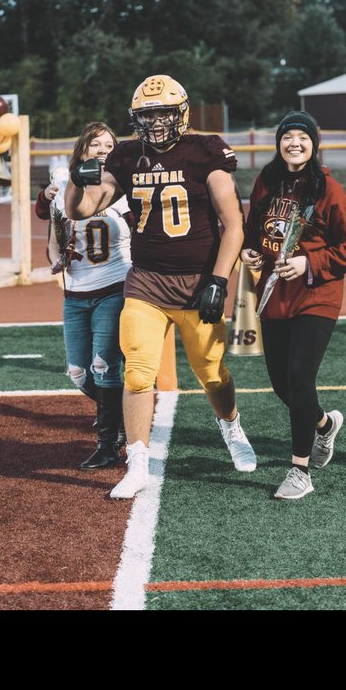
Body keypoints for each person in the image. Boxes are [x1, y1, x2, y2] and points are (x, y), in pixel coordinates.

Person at [65, 74, 256, 499]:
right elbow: (81, 210)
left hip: (196, 283)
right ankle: (137, 464)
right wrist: (76, 180)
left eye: (164, 113)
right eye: (148, 115)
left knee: (212, 373)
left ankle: (231, 426)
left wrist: (219, 280)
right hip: (146, 282)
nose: (155, 122)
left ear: (181, 113)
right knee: (137, 373)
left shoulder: (206, 150)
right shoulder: (127, 156)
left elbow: (233, 223)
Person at [241, 110, 346, 500]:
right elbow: (254, 229)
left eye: (303, 138)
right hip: (274, 293)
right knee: (281, 383)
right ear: (279, 143)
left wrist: (309, 263)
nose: (295, 143)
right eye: (288, 137)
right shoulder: (266, 181)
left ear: (314, 145)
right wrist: (249, 251)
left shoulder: (329, 189)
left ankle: (299, 471)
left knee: (299, 376)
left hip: (316, 295)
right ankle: (325, 425)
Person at [35, 121, 132, 469]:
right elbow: (53, 237)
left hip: (114, 287)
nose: (103, 150)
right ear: (83, 149)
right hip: (75, 292)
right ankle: (122, 414)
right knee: (78, 372)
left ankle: (108, 444)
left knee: (105, 366)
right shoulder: (66, 188)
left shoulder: (123, 187)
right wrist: (55, 259)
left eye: (109, 145)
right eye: (96, 144)